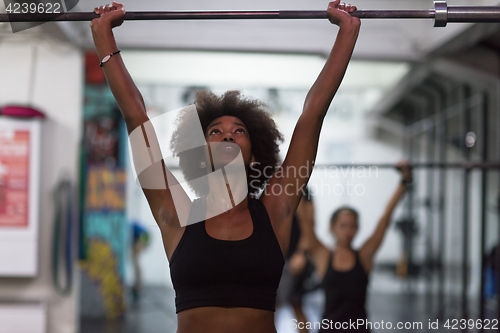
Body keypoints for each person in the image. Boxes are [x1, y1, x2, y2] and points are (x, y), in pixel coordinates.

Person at [90, 2, 360, 332]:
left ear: (254, 155)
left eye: (239, 131)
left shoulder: (276, 211)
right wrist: (103, 37)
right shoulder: (175, 215)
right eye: (215, 131)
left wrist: (348, 32)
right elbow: (136, 116)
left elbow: (313, 113)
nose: (227, 134)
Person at [297, 161, 412, 332]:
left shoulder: (364, 255)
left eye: (352, 226)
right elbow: (304, 219)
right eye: (343, 225)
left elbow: (385, 218)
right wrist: (294, 180)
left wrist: (404, 181)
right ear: (333, 228)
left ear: (357, 229)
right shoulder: (322, 255)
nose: (348, 231)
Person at [276, 189, 317, 333]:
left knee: (297, 305)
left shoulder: (303, 191)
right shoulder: (270, 187)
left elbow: (310, 225)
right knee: (270, 307)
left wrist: (302, 252)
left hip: (294, 256)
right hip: (275, 256)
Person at [130, 221, 151, 303]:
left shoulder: (126, 228)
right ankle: (137, 285)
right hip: (144, 236)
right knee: (135, 260)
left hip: (143, 236)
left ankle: (138, 286)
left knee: (135, 260)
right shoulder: (129, 227)